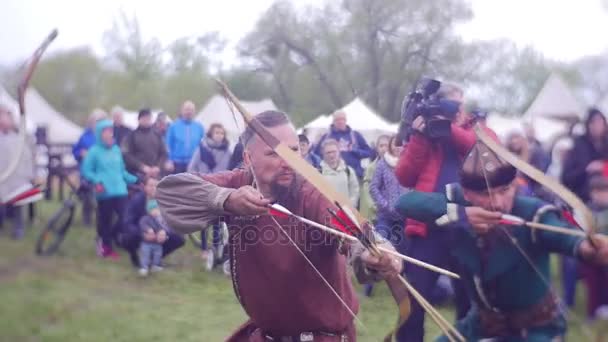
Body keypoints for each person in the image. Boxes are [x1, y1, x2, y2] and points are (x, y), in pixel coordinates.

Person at [155, 110, 403, 341]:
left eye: (294, 151)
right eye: (275, 153)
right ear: (248, 158)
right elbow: (170, 194)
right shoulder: (237, 184)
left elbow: (349, 230)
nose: (290, 162)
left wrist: (373, 251)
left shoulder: (312, 194)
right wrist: (227, 200)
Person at [395, 141, 608, 341]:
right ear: (467, 193)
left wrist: (586, 248)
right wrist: (459, 214)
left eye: (504, 191)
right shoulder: (460, 203)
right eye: (486, 194)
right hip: (483, 324)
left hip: (536, 330)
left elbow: (564, 236)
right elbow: (406, 202)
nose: (497, 203)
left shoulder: (531, 212)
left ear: (514, 185)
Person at [394, 83, 483, 341]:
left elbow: (476, 147)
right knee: (413, 301)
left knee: (470, 301)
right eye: (454, 103)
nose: (459, 109)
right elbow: (404, 175)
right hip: (426, 229)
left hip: (465, 226)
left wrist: (446, 127)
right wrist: (420, 136)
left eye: (460, 103)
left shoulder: (475, 128)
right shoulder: (424, 134)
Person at [81, 119, 138, 260]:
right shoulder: (94, 151)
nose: (109, 134)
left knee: (125, 218)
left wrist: (137, 179)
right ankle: (105, 247)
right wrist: (97, 180)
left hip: (120, 191)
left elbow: (122, 172)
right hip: (104, 192)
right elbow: (86, 171)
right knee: (105, 221)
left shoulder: (116, 149)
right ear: (100, 134)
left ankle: (111, 238)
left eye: (110, 131)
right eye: (106, 132)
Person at [187, 123, 233, 270]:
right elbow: (192, 167)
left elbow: (231, 169)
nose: (219, 135)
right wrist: (196, 180)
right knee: (205, 219)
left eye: (221, 133)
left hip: (219, 188)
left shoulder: (227, 151)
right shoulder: (202, 148)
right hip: (204, 186)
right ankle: (205, 248)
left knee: (218, 220)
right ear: (211, 134)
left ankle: (216, 247)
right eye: (216, 133)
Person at [364, 135, 403, 296]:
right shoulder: (382, 164)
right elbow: (373, 188)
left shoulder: (409, 164)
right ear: (391, 146)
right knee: (377, 248)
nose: (398, 147)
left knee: (399, 251)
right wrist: (384, 205)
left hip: (404, 216)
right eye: (396, 144)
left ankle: (399, 286)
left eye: (401, 145)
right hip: (385, 215)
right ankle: (369, 286)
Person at [120, 177, 185, 268]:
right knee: (128, 237)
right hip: (141, 230)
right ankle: (135, 257)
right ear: (144, 187)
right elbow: (127, 222)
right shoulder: (137, 200)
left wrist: (164, 232)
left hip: (160, 231)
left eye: (157, 186)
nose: (154, 188)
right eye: (151, 186)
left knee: (179, 239)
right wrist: (143, 233)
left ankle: (154, 258)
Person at [0, 104, 35, 239]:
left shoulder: (20, 135)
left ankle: (18, 229)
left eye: (5, 115)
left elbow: (29, 149)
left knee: (18, 202)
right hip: (2, 176)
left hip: (16, 177)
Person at [562, 108, 608, 202]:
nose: (597, 126)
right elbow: (567, 177)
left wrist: (603, 167)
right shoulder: (579, 145)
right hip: (584, 193)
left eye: (600, 122)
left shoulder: (606, 143)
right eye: (593, 122)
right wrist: (587, 169)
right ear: (587, 125)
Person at [313, 110, 374, 179]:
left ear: (346, 120)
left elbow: (369, 152)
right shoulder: (326, 137)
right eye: (337, 120)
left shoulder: (355, 135)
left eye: (342, 119)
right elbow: (315, 155)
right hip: (331, 176)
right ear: (333, 121)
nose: (340, 122)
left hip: (354, 175)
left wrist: (354, 150)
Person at [72, 109, 106, 226]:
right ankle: (87, 220)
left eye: (101, 120)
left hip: (102, 172)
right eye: (96, 120)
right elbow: (76, 150)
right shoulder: (85, 135)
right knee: (87, 197)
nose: (98, 123)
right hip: (87, 172)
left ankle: (101, 220)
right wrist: (81, 153)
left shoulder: (106, 136)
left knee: (101, 198)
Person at [583, 175, 608, 320]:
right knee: (593, 280)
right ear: (592, 193)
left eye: (605, 191)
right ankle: (593, 311)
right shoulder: (588, 211)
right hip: (592, 252)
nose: (603, 195)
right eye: (598, 192)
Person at [122, 108, 173, 177]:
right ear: (139, 119)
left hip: (156, 174)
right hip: (138, 174)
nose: (146, 120)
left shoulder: (157, 135)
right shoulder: (131, 136)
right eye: (144, 118)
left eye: (148, 118)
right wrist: (142, 167)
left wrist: (158, 167)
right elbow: (126, 155)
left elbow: (164, 153)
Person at [505, 130, 550, 196]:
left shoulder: (536, 152)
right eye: (511, 139)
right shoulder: (508, 156)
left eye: (516, 137)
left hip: (532, 190)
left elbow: (539, 174)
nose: (514, 141)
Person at [166, 101, 204, 174]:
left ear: (194, 111)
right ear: (182, 111)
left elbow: (203, 145)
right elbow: (168, 145)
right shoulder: (173, 126)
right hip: (177, 163)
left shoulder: (199, 127)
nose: (189, 112)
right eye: (186, 109)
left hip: (194, 163)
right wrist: (169, 160)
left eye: (191, 110)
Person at [319, 138, 360, 207]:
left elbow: (355, 192)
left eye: (334, 152)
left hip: (346, 213)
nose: (331, 155)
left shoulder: (348, 171)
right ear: (323, 154)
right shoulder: (318, 172)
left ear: (339, 152)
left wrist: (350, 207)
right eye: (328, 152)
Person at [138, 199, 169, 276]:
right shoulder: (145, 218)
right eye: (154, 209)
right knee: (145, 255)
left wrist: (163, 232)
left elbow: (163, 227)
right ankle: (144, 268)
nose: (156, 211)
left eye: (158, 209)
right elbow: (142, 224)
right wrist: (148, 229)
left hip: (157, 243)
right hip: (146, 243)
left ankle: (155, 265)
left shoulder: (160, 220)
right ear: (149, 210)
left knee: (158, 254)